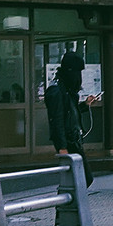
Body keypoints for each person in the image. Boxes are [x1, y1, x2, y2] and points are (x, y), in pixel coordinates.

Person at [44, 51, 96, 187]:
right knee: (80, 178)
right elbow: (56, 120)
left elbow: (68, 112)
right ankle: (68, 205)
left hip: (73, 139)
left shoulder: (66, 89)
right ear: (70, 71)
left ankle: (70, 205)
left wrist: (85, 105)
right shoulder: (57, 91)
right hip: (68, 142)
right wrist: (62, 147)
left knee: (77, 178)